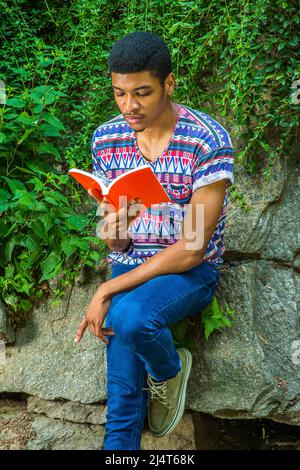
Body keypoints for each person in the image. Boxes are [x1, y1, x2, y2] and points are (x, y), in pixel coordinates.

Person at [74, 31, 235, 450]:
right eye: (120, 93)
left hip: (189, 271)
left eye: (142, 93)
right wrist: (115, 229)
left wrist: (109, 287)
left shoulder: (206, 140)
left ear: (169, 84)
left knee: (126, 319)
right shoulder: (107, 139)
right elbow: (116, 247)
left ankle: (169, 370)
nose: (130, 106)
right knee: (123, 401)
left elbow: (192, 247)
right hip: (132, 263)